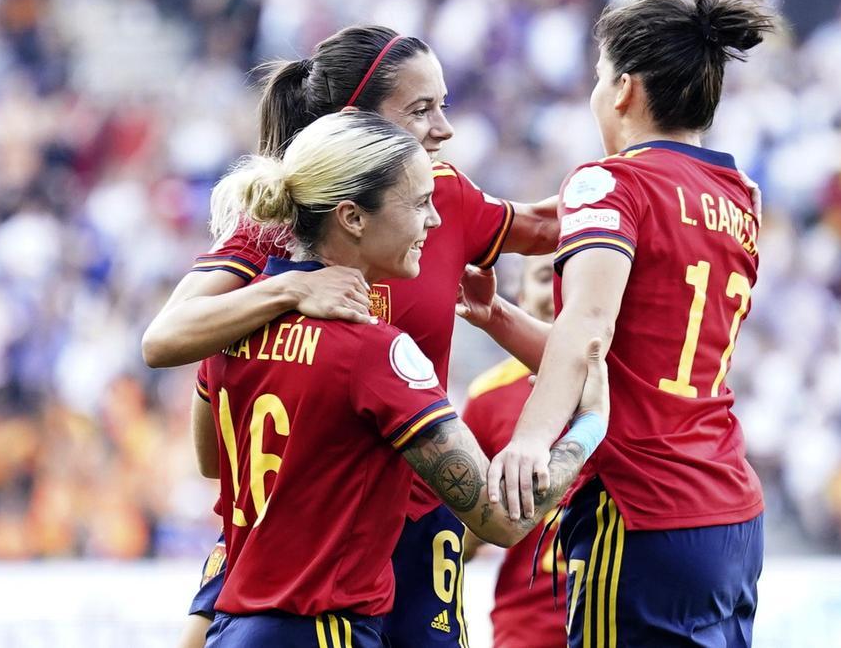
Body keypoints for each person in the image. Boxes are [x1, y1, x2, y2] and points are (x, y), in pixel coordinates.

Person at [147, 25, 561, 648]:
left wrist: (657, 180)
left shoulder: (440, 198)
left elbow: (552, 222)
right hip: (299, 538)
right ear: (353, 130)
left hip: (419, 521)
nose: (445, 129)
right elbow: (163, 341)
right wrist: (289, 290)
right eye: (421, 110)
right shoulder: (279, 222)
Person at [198, 111, 607, 647]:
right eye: (418, 204)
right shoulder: (373, 351)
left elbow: (213, 462)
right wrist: (590, 423)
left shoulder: (230, 326)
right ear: (352, 217)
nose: (434, 223)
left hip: (233, 629)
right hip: (325, 631)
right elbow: (500, 521)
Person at [457, 0, 776, 647]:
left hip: (640, 508)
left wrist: (530, 437)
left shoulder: (610, 182)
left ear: (625, 89)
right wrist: (499, 316)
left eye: (600, 79)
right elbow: (629, 356)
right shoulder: (741, 197)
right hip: (730, 516)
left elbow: (590, 327)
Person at [462, 256, 568, 648]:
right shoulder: (487, 397)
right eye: (546, 278)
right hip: (529, 630)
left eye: (573, 276)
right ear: (520, 298)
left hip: (628, 622)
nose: (560, 289)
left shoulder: (635, 385)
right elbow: (458, 534)